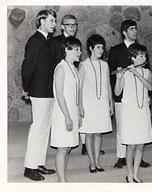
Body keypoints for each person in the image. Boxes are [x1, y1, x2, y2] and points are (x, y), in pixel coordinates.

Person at [108, 19, 151, 169]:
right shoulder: (115, 50)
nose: (135, 31)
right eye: (132, 29)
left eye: (136, 29)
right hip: (123, 94)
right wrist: (116, 93)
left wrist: (148, 95)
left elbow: (147, 71)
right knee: (122, 127)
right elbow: (112, 75)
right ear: (124, 32)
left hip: (139, 94)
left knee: (140, 126)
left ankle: (139, 158)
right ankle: (121, 156)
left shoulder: (142, 49)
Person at [21, 9, 57, 181]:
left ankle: (38, 163)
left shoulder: (44, 41)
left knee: (44, 129)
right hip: (39, 91)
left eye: (54, 21)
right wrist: (26, 89)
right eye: (51, 21)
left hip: (48, 91)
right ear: (42, 21)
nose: (54, 25)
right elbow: (27, 67)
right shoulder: (35, 40)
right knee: (37, 129)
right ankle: (29, 167)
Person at [48, 14, 90, 155]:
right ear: (62, 26)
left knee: (78, 112)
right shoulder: (54, 42)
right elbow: (48, 66)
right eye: (69, 25)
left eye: (75, 25)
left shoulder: (76, 44)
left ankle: (85, 144)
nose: (73, 27)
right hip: (60, 85)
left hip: (72, 82)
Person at [115, 43, 152, 183]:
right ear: (133, 57)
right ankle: (129, 174)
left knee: (141, 144)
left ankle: (136, 174)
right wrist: (119, 78)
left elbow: (149, 87)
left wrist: (137, 73)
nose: (144, 57)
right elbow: (117, 92)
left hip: (142, 111)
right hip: (129, 112)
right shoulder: (125, 73)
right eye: (141, 55)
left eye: (144, 55)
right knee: (130, 145)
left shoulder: (147, 72)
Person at [78, 34, 113, 173]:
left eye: (102, 47)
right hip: (88, 104)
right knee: (90, 134)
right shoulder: (83, 65)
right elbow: (79, 89)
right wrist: (80, 106)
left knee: (99, 133)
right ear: (91, 48)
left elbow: (108, 85)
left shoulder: (105, 65)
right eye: (98, 47)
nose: (101, 50)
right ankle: (91, 162)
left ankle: (98, 161)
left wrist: (110, 103)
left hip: (102, 104)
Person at [50, 36, 83, 182]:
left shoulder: (74, 68)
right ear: (67, 50)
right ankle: (62, 181)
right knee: (63, 148)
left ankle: (61, 178)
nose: (79, 52)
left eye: (79, 49)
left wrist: (79, 112)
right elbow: (59, 95)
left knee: (68, 147)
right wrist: (68, 117)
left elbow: (77, 92)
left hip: (72, 112)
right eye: (76, 49)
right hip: (63, 114)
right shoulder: (61, 68)